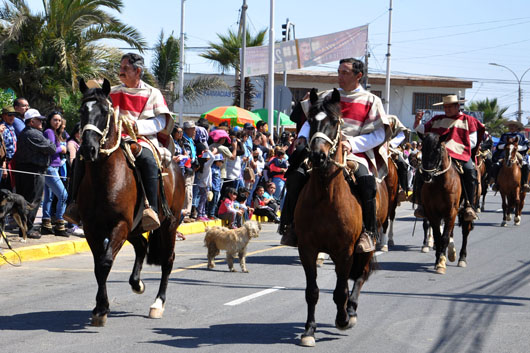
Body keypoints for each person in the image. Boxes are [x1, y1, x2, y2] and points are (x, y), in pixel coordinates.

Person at [280, 58, 391, 252]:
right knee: (296, 176)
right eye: (338, 72)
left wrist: (352, 144)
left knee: (366, 181)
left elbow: (379, 133)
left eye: (344, 73)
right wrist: (304, 137)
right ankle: (290, 226)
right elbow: (310, 120)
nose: (339, 76)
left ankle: (369, 232)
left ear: (358, 76)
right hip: (323, 148)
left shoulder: (372, 101)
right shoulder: (327, 97)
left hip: (354, 152)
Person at [64, 53, 175, 232]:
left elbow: (161, 122)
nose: (120, 72)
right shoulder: (112, 91)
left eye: (125, 68)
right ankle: (74, 204)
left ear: (137, 70)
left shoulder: (152, 93)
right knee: (81, 157)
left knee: (147, 159)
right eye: (120, 68)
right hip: (112, 138)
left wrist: (135, 126)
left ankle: (151, 209)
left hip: (140, 138)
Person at [413, 94, 485, 221]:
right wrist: (418, 121)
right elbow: (423, 130)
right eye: (445, 107)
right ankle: (420, 204)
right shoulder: (437, 119)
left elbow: (473, 141)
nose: (447, 109)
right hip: (437, 155)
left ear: (458, 106)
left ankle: (469, 205)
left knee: (470, 171)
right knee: (421, 171)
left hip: (460, 153)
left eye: (450, 107)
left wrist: (453, 146)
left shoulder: (469, 120)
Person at [14, 109, 57, 239]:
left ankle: (24, 228)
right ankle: (28, 229)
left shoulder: (28, 133)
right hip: (33, 172)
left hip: (29, 170)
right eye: (39, 120)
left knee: (27, 200)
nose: (42, 122)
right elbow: (52, 148)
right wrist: (49, 145)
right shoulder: (33, 133)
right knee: (32, 201)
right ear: (31, 121)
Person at [41, 111, 69, 237]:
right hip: (51, 168)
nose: (57, 122)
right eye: (55, 120)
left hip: (54, 168)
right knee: (63, 195)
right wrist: (61, 149)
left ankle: (46, 224)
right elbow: (50, 150)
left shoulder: (54, 132)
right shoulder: (49, 132)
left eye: (59, 120)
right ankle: (59, 224)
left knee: (49, 197)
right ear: (50, 120)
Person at [489, 120, 530, 192]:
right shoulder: (504, 135)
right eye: (510, 126)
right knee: (496, 164)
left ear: (517, 127)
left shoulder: (521, 136)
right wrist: (506, 146)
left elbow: (526, 146)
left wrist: (516, 148)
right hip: (505, 153)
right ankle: (495, 182)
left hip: (517, 152)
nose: (511, 127)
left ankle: (525, 183)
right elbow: (499, 146)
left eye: (513, 126)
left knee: (525, 165)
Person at [1, 107, 18, 190]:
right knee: (5, 190)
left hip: (13, 161)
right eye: (10, 115)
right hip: (6, 163)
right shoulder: (2, 129)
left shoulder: (11, 127)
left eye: (14, 115)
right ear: (4, 116)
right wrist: (4, 168)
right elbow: (2, 150)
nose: (12, 117)